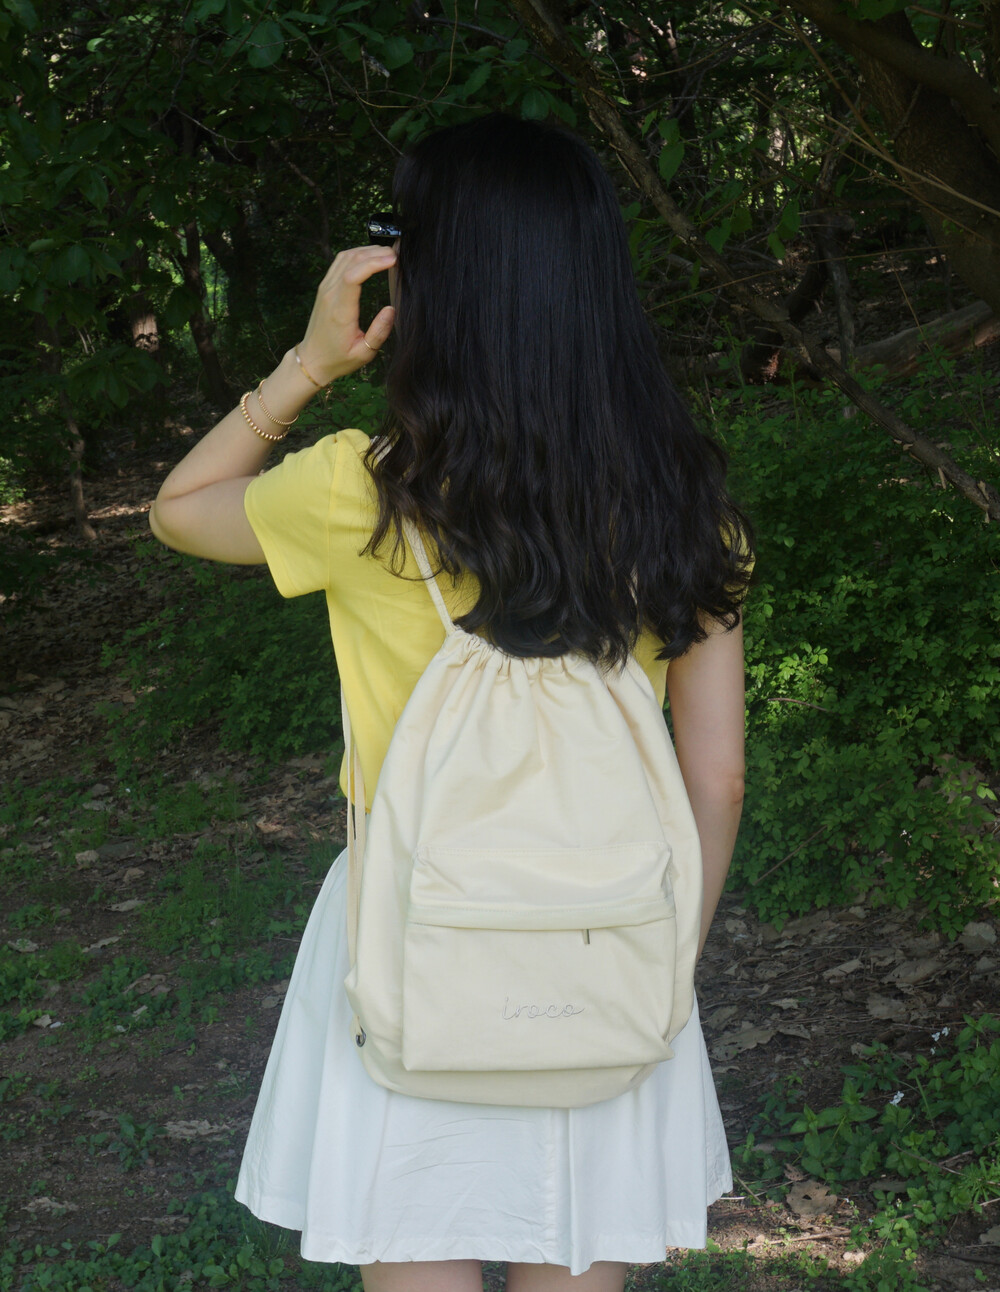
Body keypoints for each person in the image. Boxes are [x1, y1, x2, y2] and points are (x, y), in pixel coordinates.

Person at [149, 112, 752, 1292]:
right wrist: (661, 956)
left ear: (431, 279)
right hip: (607, 930)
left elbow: (180, 508)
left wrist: (309, 365)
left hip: (407, 931)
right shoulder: (686, 510)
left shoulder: (359, 492)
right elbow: (716, 778)